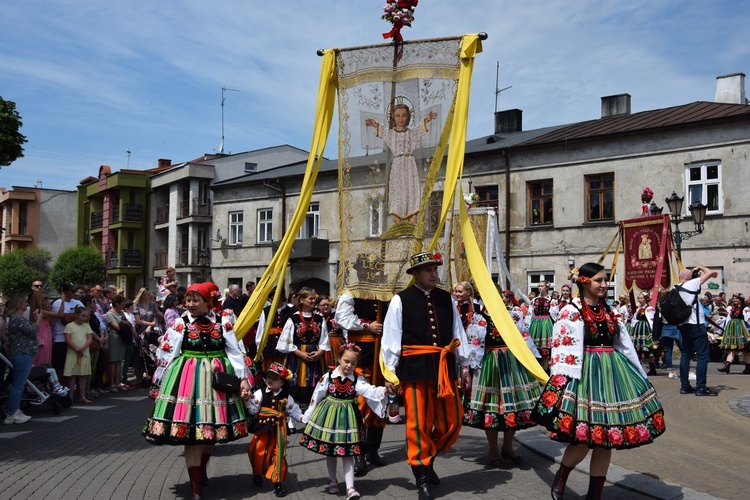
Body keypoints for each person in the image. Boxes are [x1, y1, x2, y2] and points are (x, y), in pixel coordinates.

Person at [531, 263, 665, 500]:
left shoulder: (610, 310)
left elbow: (624, 345)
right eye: (599, 281)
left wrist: (640, 375)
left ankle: (594, 496)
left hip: (613, 375)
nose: (604, 285)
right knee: (583, 439)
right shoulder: (571, 310)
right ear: (584, 282)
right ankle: (562, 476)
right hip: (585, 375)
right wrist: (562, 386)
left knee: (606, 440)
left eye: (605, 281)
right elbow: (562, 351)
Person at [143, 281, 251, 500]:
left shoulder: (223, 323)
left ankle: (201, 470)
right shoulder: (180, 324)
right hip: (187, 380)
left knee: (209, 430)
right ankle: (195, 485)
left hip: (216, 382)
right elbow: (167, 354)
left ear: (207, 302)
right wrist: (160, 383)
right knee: (191, 433)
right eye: (188, 300)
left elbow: (235, 351)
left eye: (195, 300)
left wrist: (243, 380)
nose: (190, 304)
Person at [381, 251, 471, 500]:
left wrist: (464, 366)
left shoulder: (447, 299)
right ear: (416, 274)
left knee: (452, 422)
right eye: (429, 270)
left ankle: (427, 458)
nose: (434, 273)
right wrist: (389, 372)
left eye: (435, 269)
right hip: (414, 368)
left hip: (444, 368)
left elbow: (457, 332)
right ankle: (421, 476)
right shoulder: (400, 300)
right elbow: (391, 337)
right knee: (418, 424)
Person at [464, 286, 542, 467]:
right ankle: (492, 448)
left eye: (497, 295)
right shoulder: (479, 318)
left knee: (512, 407)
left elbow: (524, 337)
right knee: (491, 408)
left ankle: (508, 447)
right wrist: (471, 368)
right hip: (490, 364)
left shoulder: (513, 315)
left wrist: (532, 361)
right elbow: (474, 344)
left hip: (512, 363)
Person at [301, 344, 388, 500]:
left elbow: (368, 390)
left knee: (348, 453)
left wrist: (383, 390)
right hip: (328, 417)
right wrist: (308, 415)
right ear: (339, 359)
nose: (349, 365)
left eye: (353, 363)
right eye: (346, 361)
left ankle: (350, 487)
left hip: (348, 419)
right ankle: (333, 480)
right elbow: (317, 395)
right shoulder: (328, 376)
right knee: (330, 451)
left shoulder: (357, 379)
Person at [334, 291, 388, 476]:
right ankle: (359, 453)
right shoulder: (352, 292)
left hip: (383, 355)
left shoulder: (388, 293)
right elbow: (342, 317)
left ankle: (373, 449)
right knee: (361, 405)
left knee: (381, 402)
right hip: (361, 356)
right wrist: (367, 326)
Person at [365, 104, 437, 225]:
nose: (401, 118)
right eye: (397, 116)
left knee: (410, 187)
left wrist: (428, 119)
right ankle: (398, 213)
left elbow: (420, 129)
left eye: (404, 115)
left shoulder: (411, 133)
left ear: (408, 117)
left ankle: (411, 214)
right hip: (398, 163)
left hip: (409, 163)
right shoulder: (391, 134)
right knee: (398, 188)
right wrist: (374, 124)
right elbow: (382, 131)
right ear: (393, 118)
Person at [245, 362, 304, 497]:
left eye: (275, 378)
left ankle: (278, 483)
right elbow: (253, 409)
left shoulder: (287, 396)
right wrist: (247, 401)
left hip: (279, 430)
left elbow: (294, 411)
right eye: (268, 377)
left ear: (282, 382)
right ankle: (257, 472)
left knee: (279, 456)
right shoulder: (260, 392)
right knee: (255, 451)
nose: (270, 380)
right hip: (263, 429)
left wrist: (304, 418)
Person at [276, 288, 330, 408]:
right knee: (296, 385)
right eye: (310, 298)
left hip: (316, 357)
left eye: (314, 298)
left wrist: (320, 352)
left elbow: (324, 339)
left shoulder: (319, 319)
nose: (313, 300)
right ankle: (295, 411)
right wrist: (300, 353)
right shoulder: (293, 319)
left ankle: (313, 409)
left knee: (315, 385)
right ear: (302, 300)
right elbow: (287, 341)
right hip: (297, 357)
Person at [677, 266, 719, 396]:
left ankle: (685, 386)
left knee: (685, 355)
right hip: (696, 325)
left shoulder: (675, 287)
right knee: (703, 356)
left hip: (683, 325)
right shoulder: (691, 284)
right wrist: (699, 267)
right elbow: (710, 273)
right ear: (689, 277)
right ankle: (701, 387)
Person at [3, 293, 42, 424]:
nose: (27, 303)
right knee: (19, 384)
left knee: (20, 383)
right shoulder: (16, 319)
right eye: (25, 301)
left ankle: (15, 410)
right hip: (21, 353)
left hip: (24, 353)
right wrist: (39, 319)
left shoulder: (18, 318)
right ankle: (12, 412)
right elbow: (33, 330)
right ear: (19, 304)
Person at [50, 282, 84, 378]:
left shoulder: (77, 302)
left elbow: (87, 316)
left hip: (76, 339)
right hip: (61, 339)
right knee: (60, 366)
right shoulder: (57, 303)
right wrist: (78, 316)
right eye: (72, 291)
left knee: (73, 366)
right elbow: (65, 320)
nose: (74, 293)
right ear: (64, 292)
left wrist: (72, 316)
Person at [63, 305, 94, 404]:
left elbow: (89, 339)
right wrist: (76, 349)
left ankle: (82, 396)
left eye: (85, 316)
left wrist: (82, 348)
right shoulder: (70, 326)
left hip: (84, 353)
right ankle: (70, 396)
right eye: (82, 316)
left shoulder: (86, 326)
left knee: (82, 375)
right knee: (72, 375)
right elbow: (68, 339)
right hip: (73, 353)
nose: (84, 318)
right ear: (76, 315)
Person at [526, 280, 556, 371]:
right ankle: (538, 370)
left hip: (546, 324)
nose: (539, 288)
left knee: (545, 350)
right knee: (535, 349)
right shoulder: (534, 300)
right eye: (539, 286)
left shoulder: (552, 300)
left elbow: (555, 315)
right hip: (535, 324)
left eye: (542, 286)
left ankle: (546, 370)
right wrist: (527, 326)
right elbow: (529, 314)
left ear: (547, 287)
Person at [29, 291, 64, 366]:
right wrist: (63, 301)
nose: (47, 300)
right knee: (42, 360)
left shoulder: (44, 312)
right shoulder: (40, 311)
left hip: (47, 337)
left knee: (46, 359)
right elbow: (60, 315)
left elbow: (52, 324)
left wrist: (50, 310)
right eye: (45, 298)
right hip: (42, 338)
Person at [717, 294, 748, 374]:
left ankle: (748, 368)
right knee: (731, 348)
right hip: (732, 330)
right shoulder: (732, 308)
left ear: (741, 299)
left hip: (741, 330)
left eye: (737, 298)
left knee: (746, 350)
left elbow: (748, 320)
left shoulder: (745, 308)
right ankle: (727, 366)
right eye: (734, 298)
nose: (734, 299)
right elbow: (727, 318)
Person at [105, 295, 129, 393]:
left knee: (119, 361)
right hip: (114, 337)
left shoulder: (122, 313)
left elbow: (127, 323)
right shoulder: (109, 314)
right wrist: (125, 324)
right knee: (113, 361)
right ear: (117, 304)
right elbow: (117, 326)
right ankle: (111, 383)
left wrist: (126, 324)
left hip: (122, 338)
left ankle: (117, 382)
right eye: (122, 303)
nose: (123, 306)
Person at [630, 292, 658, 375]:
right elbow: (634, 319)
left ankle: (652, 369)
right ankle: (637, 369)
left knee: (649, 350)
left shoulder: (649, 308)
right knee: (637, 349)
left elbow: (651, 320)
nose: (639, 300)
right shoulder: (639, 308)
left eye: (641, 298)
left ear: (645, 299)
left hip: (646, 330)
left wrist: (652, 332)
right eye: (638, 298)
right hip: (638, 330)